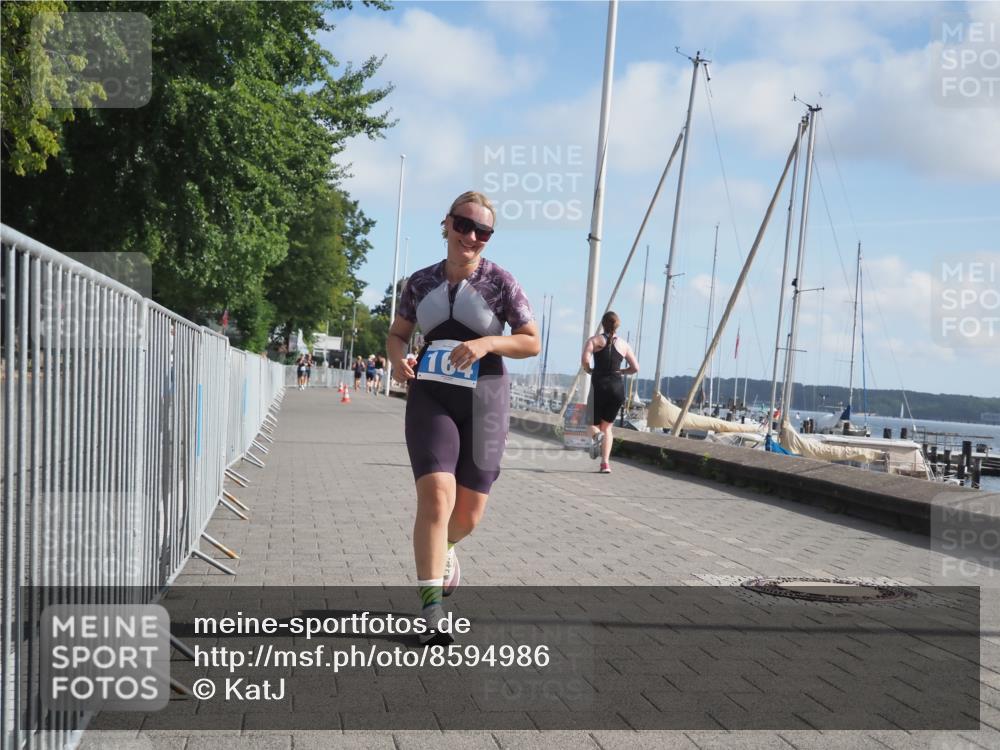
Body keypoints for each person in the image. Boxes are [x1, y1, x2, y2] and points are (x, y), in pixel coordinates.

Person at [387, 190, 539, 645]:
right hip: (431, 396)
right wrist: (397, 358)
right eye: (463, 225)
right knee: (436, 497)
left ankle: (447, 548)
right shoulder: (418, 282)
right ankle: (431, 612)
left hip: (486, 397)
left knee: (469, 515)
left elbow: (530, 341)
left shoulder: (501, 282)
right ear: (447, 224)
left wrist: (487, 343)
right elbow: (398, 334)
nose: (471, 236)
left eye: (483, 231)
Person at [581, 311, 639, 474]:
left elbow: (585, 360)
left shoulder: (594, 341)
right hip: (617, 389)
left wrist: (589, 369)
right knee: (608, 428)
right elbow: (635, 368)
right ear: (617, 325)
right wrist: (622, 371)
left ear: (603, 324)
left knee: (591, 425)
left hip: (599, 386)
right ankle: (605, 464)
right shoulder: (624, 345)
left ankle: (596, 436)